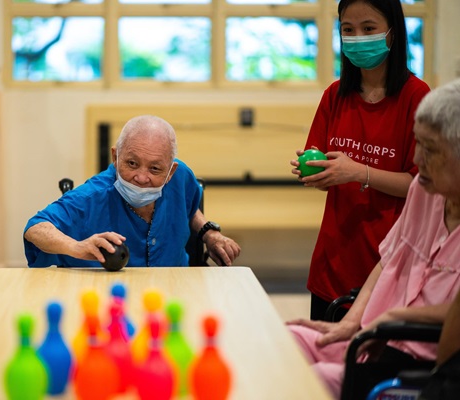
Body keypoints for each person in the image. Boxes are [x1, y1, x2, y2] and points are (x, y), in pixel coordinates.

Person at [287, 78, 460, 399]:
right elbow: (390, 258)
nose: (418, 159)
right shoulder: (426, 191)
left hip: (421, 356)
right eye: (417, 143)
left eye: (431, 149)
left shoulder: (412, 94)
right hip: (376, 336)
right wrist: (350, 322)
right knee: (286, 338)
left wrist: (395, 317)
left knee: (318, 380)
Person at [290, 0, 431, 320]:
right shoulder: (334, 95)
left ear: (392, 34)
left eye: (368, 28)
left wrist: (360, 172)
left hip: (388, 266)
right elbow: (326, 176)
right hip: (332, 265)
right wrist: (316, 173)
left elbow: (423, 185)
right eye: (347, 30)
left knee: (371, 367)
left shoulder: (417, 97)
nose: (357, 37)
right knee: (324, 365)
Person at [24, 115, 241, 268]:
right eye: (132, 163)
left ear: (170, 171)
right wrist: (77, 247)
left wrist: (210, 235)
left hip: (175, 287)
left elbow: (188, 206)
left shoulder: (181, 177)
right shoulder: (92, 196)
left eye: (155, 168)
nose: (141, 177)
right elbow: (35, 228)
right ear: (115, 157)